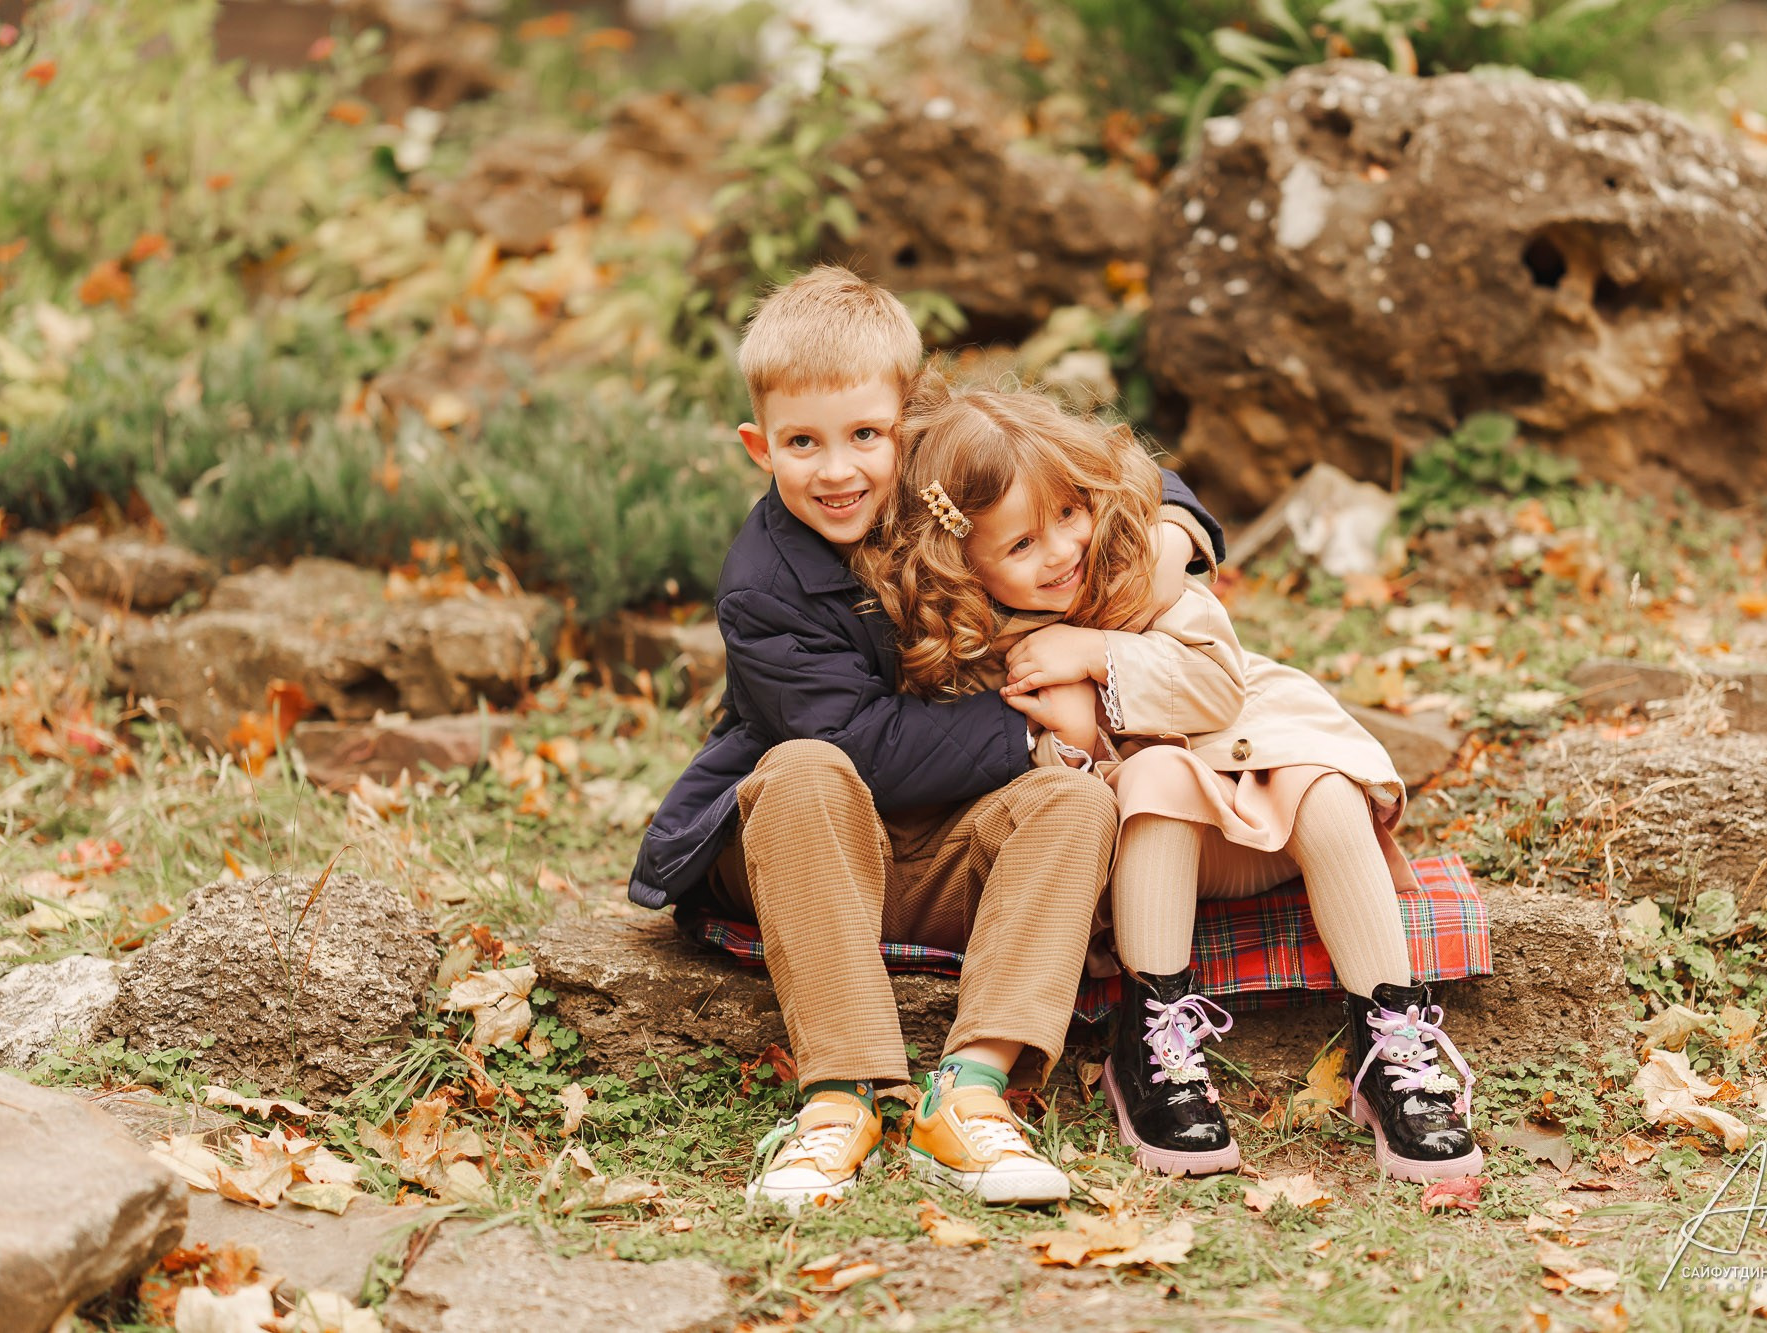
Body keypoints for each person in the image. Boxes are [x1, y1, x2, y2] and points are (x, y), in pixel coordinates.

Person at [628, 267, 1225, 1209]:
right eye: (802, 444)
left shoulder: (943, 474)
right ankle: (842, 1095)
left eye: (866, 435)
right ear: (759, 446)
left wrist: (1178, 530)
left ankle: (973, 1093)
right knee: (806, 768)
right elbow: (861, 743)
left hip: (949, 851)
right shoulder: (764, 584)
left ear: (909, 423)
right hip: (810, 844)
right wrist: (1036, 724)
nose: (838, 469)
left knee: (1074, 799)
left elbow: (1091, 465)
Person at [857, 378, 1485, 1184]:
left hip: (1255, 793)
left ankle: (1394, 1042)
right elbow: (1032, 792)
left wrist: (1098, 656)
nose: (1058, 552)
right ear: (965, 565)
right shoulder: (984, 648)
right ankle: (1154, 1040)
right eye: (1019, 546)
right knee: (1154, 774)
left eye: (1068, 515)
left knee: (1328, 791)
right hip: (1152, 843)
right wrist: (1077, 739)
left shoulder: (1139, 569)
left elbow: (1215, 686)